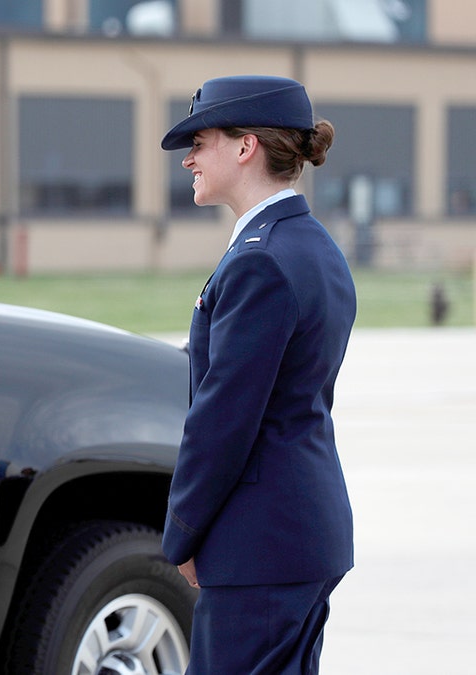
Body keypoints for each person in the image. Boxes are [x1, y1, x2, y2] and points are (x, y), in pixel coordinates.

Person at [160, 75, 356, 674]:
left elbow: (224, 419)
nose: (189, 158)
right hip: (298, 532)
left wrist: (184, 532)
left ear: (246, 147)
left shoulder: (260, 261)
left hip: (259, 545)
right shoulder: (314, 246)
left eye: (201, 142)